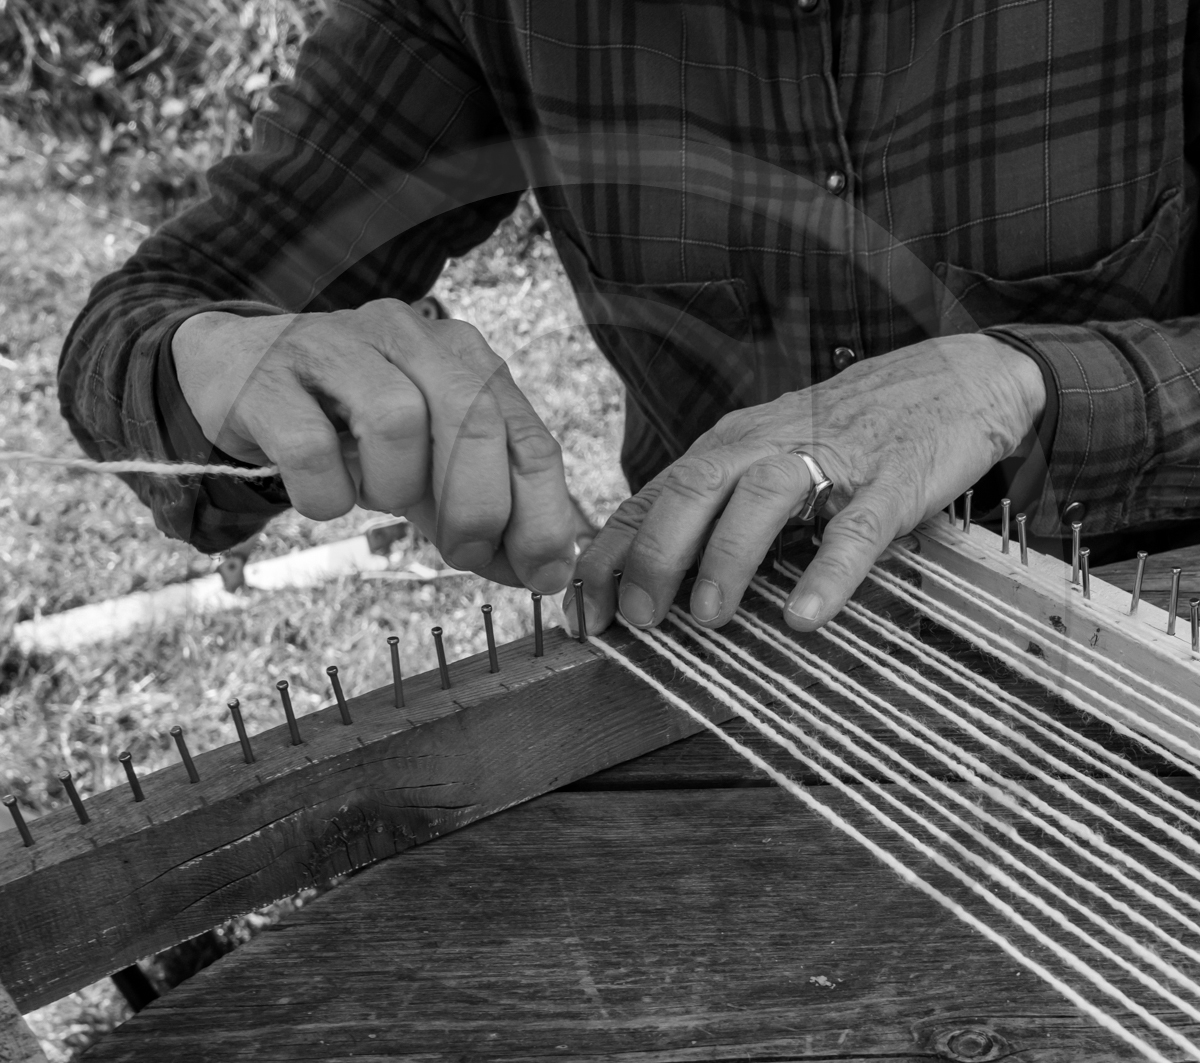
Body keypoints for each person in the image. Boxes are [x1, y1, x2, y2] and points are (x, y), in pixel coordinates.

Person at [59, 1, 1200, 637]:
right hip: (734, 663)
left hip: (1143, 647)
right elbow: (150, 321)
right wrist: (224, 359)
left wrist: (1020, 384)